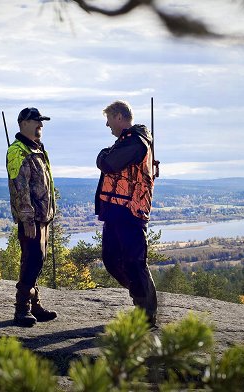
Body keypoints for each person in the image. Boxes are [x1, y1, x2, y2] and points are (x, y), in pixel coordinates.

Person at [95, 100, 158, 326]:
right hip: (116, 210)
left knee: (133, 261)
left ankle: (145, 312)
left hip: (129, 211)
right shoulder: (127, 142)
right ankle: (142, 300)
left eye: (109, 119)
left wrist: (102, 154)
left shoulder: (135, 142)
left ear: (119, 117)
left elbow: (109, 163)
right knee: (112, 259)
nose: (107, 124)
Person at [7, 107, 57, 327]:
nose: (41, 125)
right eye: (37, 121)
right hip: (32, 219)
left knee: (37, 261)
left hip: (42, 218)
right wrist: (27, 218)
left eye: (41, 121)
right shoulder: (18, 151)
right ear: (23, 123)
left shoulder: (38, 149)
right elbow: (20, 188)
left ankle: (34, 304)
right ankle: (22, 309)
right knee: (31, 261)